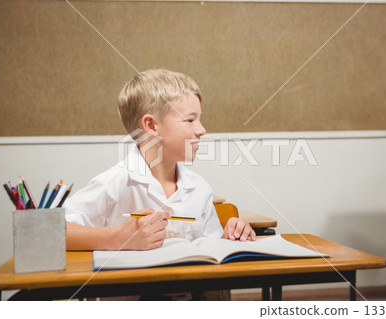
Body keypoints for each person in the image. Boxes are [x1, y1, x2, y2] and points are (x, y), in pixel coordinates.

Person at [65, 69, 255, 253]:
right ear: (151, 125)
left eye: (199, 119)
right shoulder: (113, 183)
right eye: (190, 120)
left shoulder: (199, 188)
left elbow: (210, 248)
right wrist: (119, 238)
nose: (201, 129)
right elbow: (57, 231)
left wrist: (229, 237)